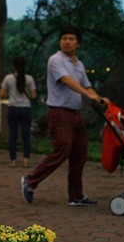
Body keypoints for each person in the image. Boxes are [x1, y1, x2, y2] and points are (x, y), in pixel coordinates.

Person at [21, 26, 108, 207]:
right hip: (59, 113)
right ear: (60, 42)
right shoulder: (55, 60)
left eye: (71, 39)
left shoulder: (79, 64)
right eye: (64, 38)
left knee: (80, 154)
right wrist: (88, 95)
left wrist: (98, 98)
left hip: (75, 113)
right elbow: (67, 81)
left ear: (78, 43)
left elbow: (87, 85)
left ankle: (76, 196)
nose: (67, 42)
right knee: (62, 150)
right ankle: (30, 180)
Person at [0, 55, 37, 168]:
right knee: (26, 136)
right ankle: (26, 160)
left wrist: (10, 93)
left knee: (13, 136)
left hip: (13, 108)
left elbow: (2, 94)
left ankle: (13, 161)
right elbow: (33, 95)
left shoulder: (8, 78)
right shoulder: (29, 79)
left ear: (14, 66)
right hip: (25, 108)